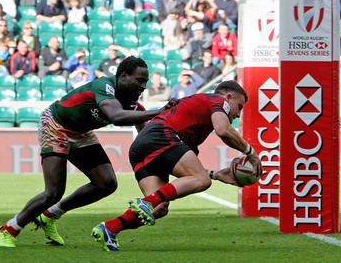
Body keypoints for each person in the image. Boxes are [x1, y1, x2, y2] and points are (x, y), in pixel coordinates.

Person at [0, 56, 178, 248]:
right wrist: (158, 111)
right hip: (56, 124)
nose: (144, 86)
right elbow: (116, 116)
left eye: (146, 81)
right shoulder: (104, 86)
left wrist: (159, 161)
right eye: (140, 80)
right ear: (123, 76)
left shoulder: (132, 104)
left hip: (81, 133)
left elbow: (144, 134)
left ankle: (50, 215)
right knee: (53, 192)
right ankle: (8, 229)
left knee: (106, 183)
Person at [91, 80, 263, 252]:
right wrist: (251, 152)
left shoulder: (196, 123)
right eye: (239, 106)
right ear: (228, 97)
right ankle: (146, 203)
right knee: (198, 182)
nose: (238, 114)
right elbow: (223, 130)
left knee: (159, 208)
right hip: (160, 134)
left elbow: (185, 172)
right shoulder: (217, 101)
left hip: (141, 146)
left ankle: (110, 228)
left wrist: (215, 174)